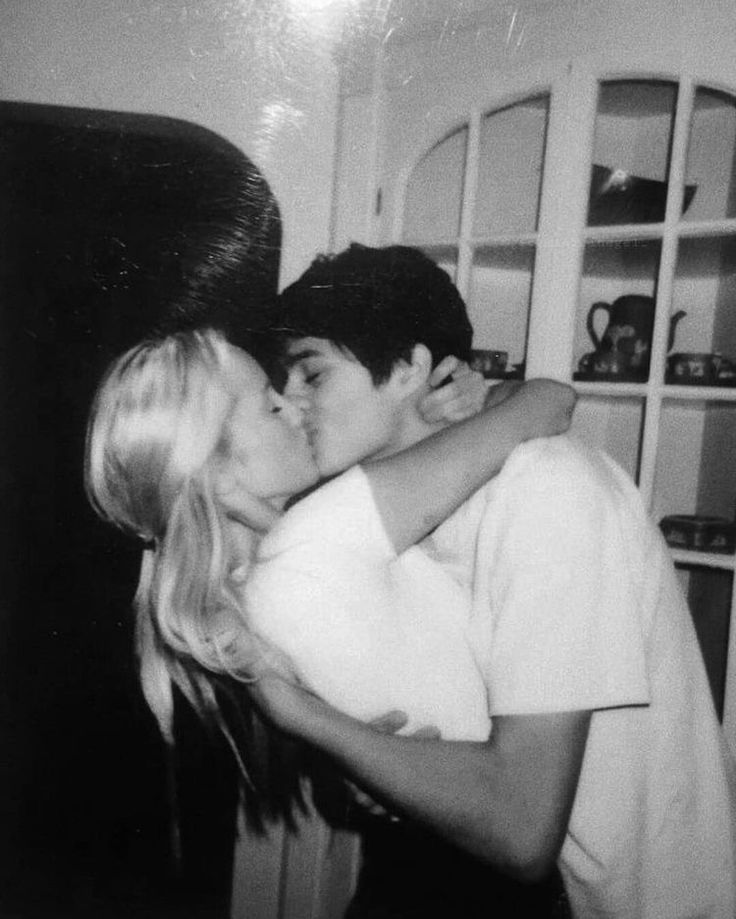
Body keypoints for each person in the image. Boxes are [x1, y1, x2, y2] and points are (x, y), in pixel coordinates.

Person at [242, 242, 736, 919]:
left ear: (411, 367)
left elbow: (521, 828)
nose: (290, 401)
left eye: (312, 374)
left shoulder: (548, 490)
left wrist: (309, 719)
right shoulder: (396, 515)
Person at [82, 327, 574, 833]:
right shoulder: (315, 538)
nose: (296, 408)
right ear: (218, 474)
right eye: (270, 407)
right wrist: (490, 396)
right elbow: (552, 401)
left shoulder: (243, 598)